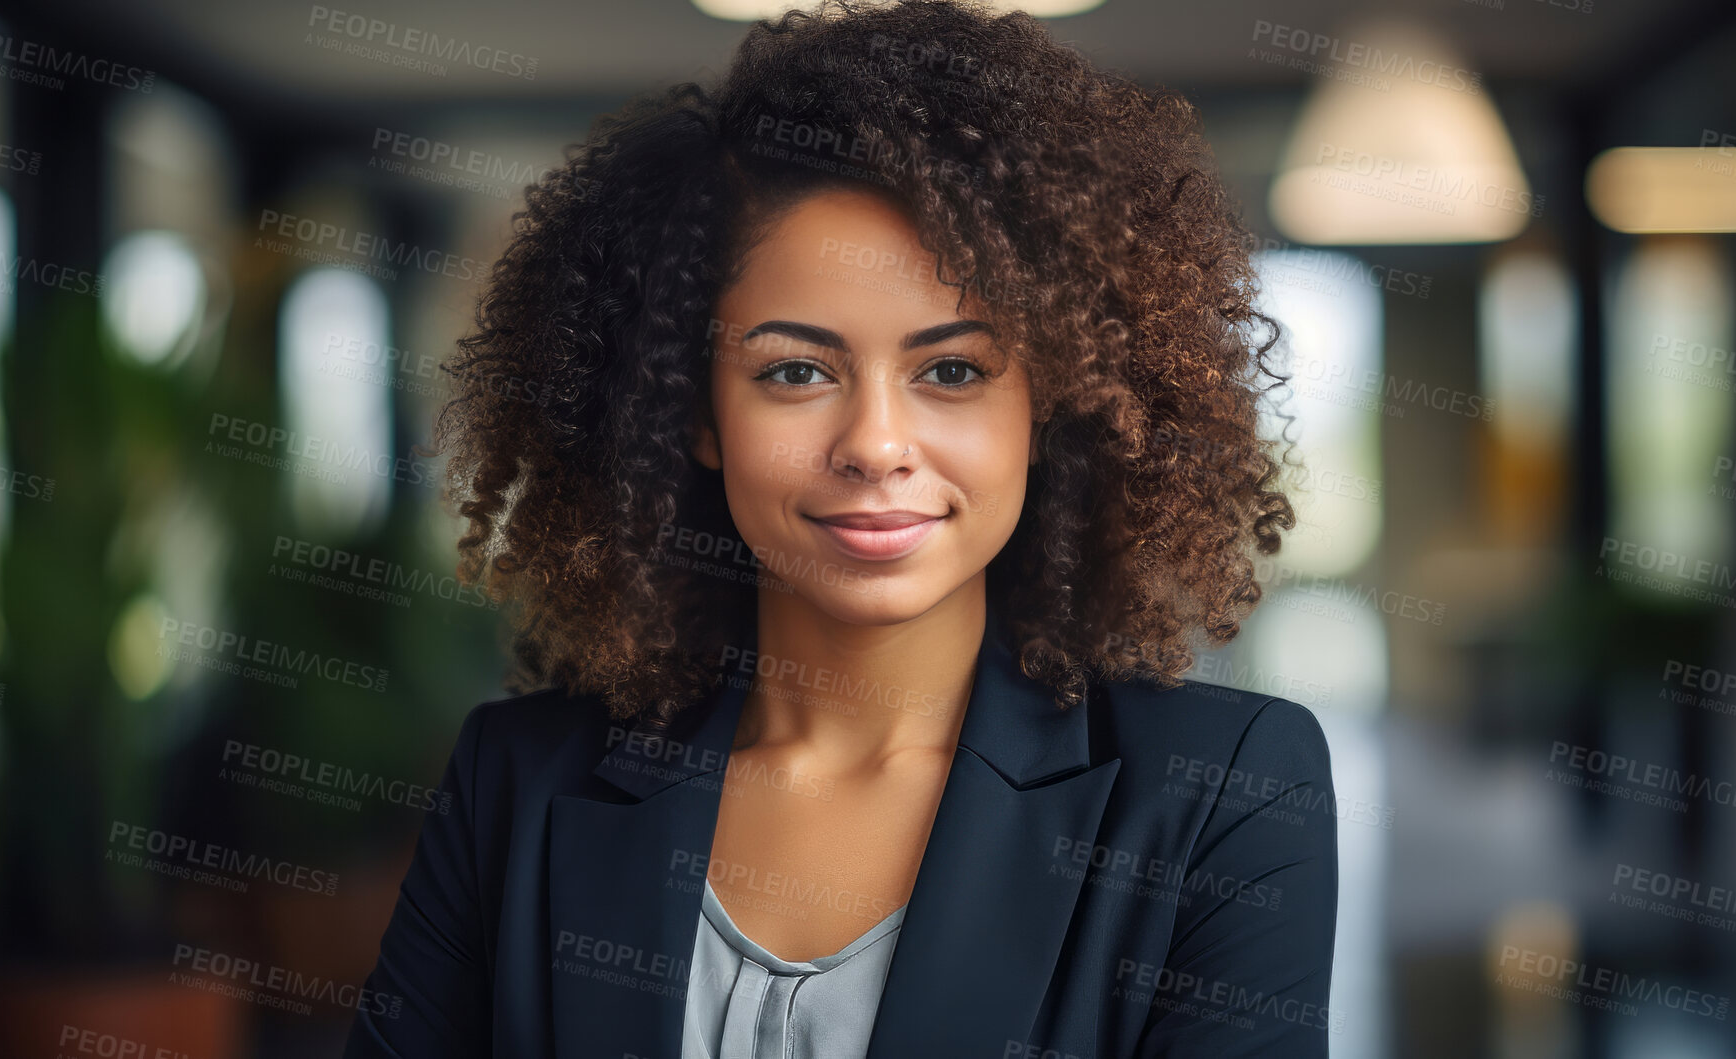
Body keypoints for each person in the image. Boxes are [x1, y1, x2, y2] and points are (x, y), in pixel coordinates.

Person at [344, 1, 1336, 1055]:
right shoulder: (521, 780)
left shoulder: (1218, 792)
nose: (874, 443)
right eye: (795, 372)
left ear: (1046, 406)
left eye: (950, 371)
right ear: (692, 416)